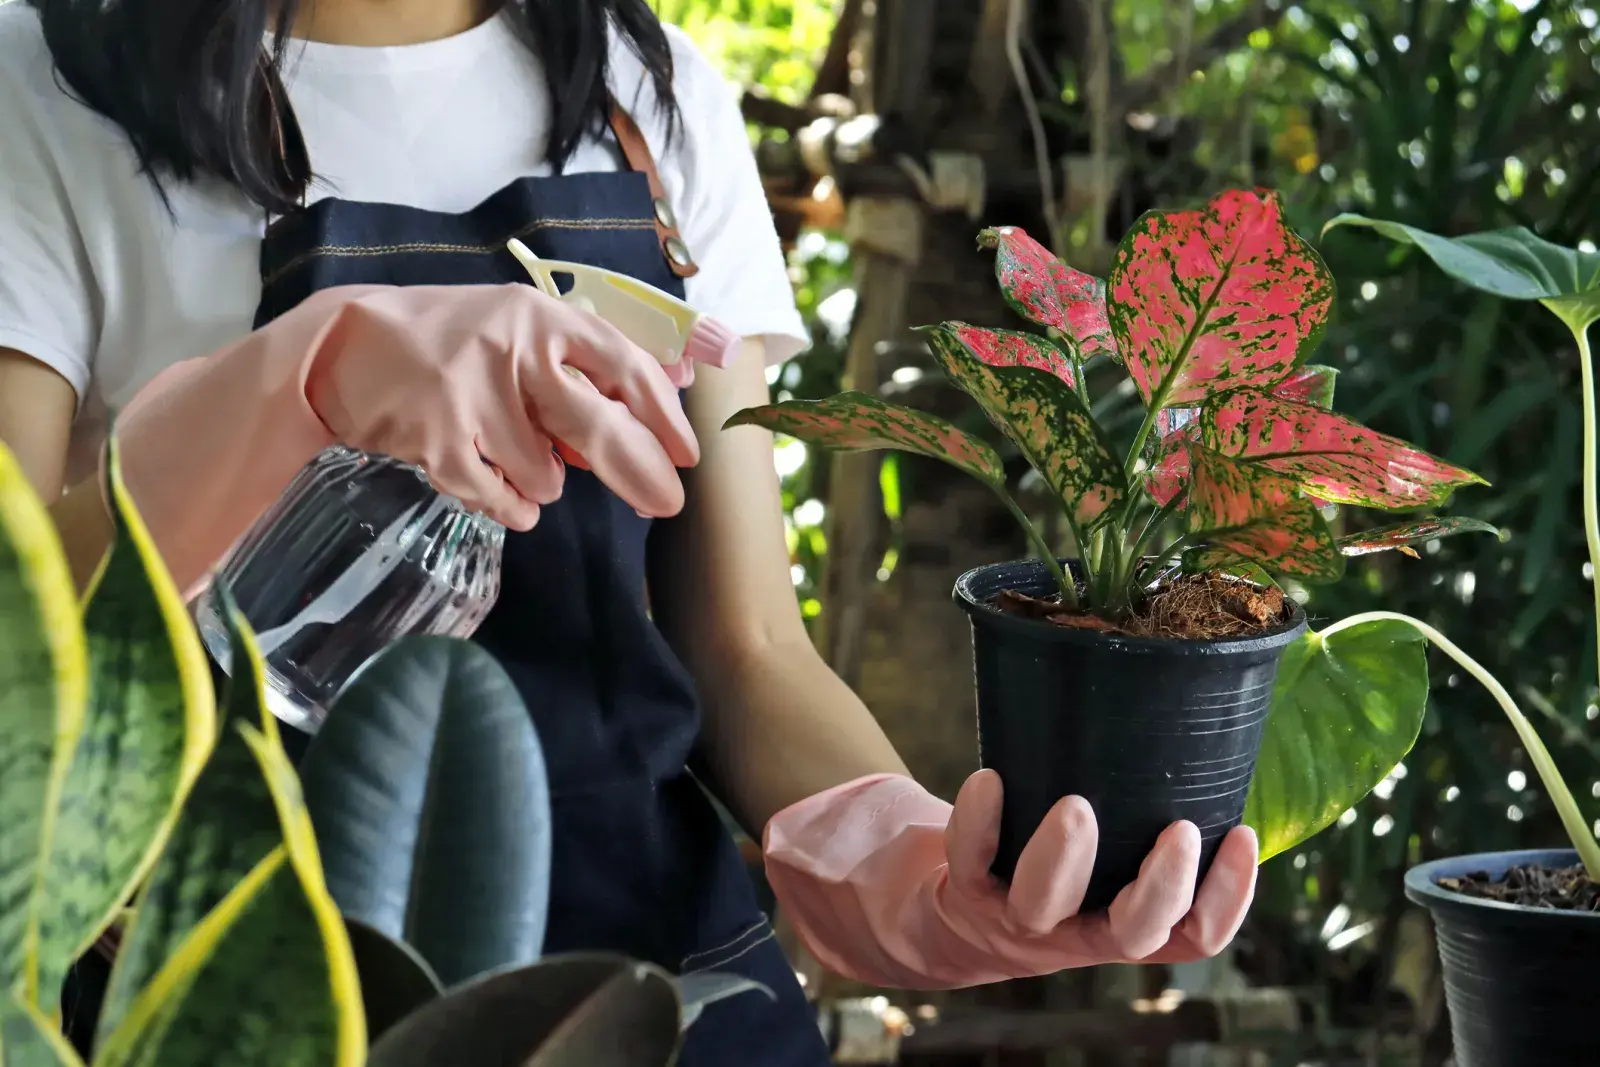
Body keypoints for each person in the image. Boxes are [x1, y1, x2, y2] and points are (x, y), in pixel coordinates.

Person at [0, 0, 1261, 1062]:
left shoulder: (642, 95)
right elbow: (14, 640)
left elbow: (747, 649)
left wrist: (908, 871)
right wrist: (286, 387)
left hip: (651, 988)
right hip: (228, 987)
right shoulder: (42, 83)